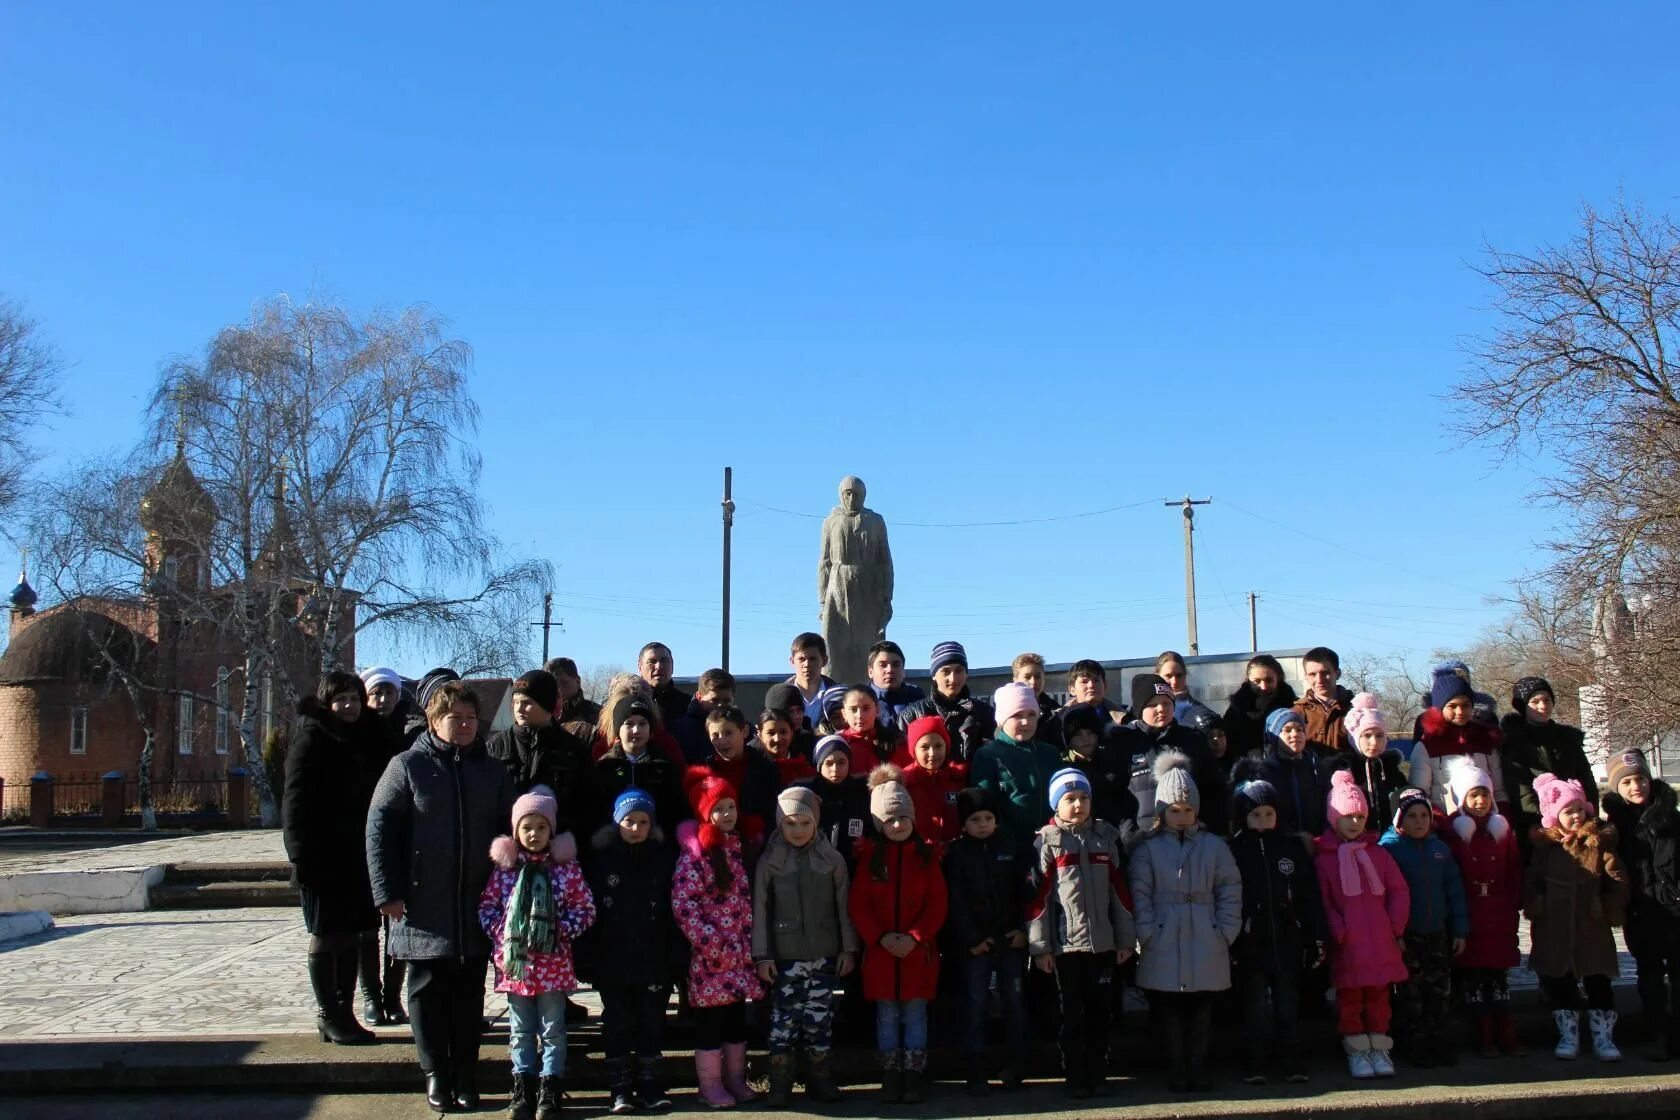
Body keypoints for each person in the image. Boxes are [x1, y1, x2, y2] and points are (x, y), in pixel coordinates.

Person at [367, 679, 515, 1113]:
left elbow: (513, 829)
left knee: (469, 995)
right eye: (456, 718)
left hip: (476, 903)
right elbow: (379, 831)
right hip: (420, 904)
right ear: (434, 721)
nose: (466, 725)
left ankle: (466, 1075)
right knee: (427, 992)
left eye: (471, 718)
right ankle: (435, 1073)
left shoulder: (492, 771)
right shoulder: (407, 766)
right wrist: (386, 892)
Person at [284, 670, 388, 1045]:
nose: (349, 706)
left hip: (357, 860)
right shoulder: (312, 738)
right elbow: (294, 802)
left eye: (355, 699)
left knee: (354, 936)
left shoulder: (365, 738)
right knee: (327, 936)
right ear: (327, 703)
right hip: (321, 860)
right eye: (341, 699)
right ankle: (329, 1013)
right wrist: (300, 855)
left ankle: (346, 1014)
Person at [478, 788, 595, 1120]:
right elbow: (487, 908)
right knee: (520, 1030)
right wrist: (503, 934)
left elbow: (585, 908)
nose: (534, 834)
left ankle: (550, 1089)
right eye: (527, 828)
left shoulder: (565, 869)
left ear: (551, 830)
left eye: (541, 828)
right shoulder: (506, 871)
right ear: (516, 832)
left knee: (553, 1029)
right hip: (517, 968)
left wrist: (561, 929)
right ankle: (522, 1089)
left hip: (553, 966)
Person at [1129, 754, 1242, 1093]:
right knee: (1170, 1012)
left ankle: (1199, 1067)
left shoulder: (1214, 847)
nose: (1181, 816)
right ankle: (1176, 1069)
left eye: (1187, 809)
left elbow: (1230, 888)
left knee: (1202, 1011)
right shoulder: (1147, 850)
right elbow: (1140, 893)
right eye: (1174, 810)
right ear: (1162, 812)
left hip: (1206, 937)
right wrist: (1147, 933)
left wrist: (1224, 931)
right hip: (1163, 937)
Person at [1027, 767, 1136, 1099]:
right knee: (1070, 1014)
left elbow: (1120, 894)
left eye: (1083, 797)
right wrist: (1041, 947)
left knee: (1100, 1011)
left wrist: (1125, 939)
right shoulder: (1048, 842)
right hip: (1065, 947)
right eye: (1070, 799)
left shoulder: (1105, 837)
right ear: (1056, 804)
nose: (1078, 805)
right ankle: (1074, 1073)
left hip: (1102, 945)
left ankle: (1099, 1071)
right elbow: (1039, 902)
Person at [577, 790, 685, 1115]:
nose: (636, 828)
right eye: (629, 821)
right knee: (618, 1023)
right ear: (617, 823)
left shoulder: (664, 860)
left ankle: (651, 1083)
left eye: (642, 822)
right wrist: (586, 958)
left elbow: (675, 913)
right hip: (613, 960)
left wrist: (677, 958)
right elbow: (589, 913)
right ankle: (620, 1087)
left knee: (652, 1023)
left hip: (655, 960)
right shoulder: (601, 862)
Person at [752, 785, 859, 1107]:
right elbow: (761, 910)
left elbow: (844, 907)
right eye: (790, 823)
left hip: (824, 954)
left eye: (804, 823)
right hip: (785, 957)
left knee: (819, 1020)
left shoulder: (832, 859)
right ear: (779, 824)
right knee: (783, 1022)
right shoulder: (770, 862)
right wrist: (762, 955)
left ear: (816, 823)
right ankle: (781, 1081)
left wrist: (847, 949)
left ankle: (820, 1078)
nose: (797, 830)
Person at [849, 764, 947, 1104]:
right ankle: (891, 1072)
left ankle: (914, 1072)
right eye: (890, 819)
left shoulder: (926, 857)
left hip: (916, 954)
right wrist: (880, 937)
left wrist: (916, 936)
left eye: (903, 818)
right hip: (882, 954)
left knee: (915, 1015)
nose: (898, 824)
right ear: (879, 823)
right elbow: (859, 905)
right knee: (887, 1016)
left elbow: (937, 904)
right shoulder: (870, 860)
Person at [672, 775, 764, 1107]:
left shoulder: (740, 848)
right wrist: (713, 944)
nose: (727, 815)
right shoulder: (696, 854)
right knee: (709, 1024)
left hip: (739, 955)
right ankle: (709, 1084)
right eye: (719, 809)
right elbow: (685, 905)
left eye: (731, 807)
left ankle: (736, 1078)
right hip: (709, 957)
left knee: (736, 1021)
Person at [1527, 772, 1630, 1062]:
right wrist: (1536, 902)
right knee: (1562, 982)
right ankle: (1568, 1033)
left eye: (1578, 811)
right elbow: (1532, 879)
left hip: (1591, 925)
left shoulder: (1597, 844)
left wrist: (1608, 903)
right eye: (1567, 812)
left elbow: (1617, 878)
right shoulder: (1546, 849)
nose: (1574, 817)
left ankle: (1603, 1035)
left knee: (1598, 979)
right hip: (1555, 925)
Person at [1228, 779, 1325, 1084]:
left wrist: (1315, 934)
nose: (1263, 821)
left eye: (1268, 814)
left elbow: (1310, 895)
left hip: (1287, 937)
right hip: (1250, 939)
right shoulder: (1234, 849)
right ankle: (1256, 1062)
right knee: (1255, 1004)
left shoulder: (1291, 848)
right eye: (1255, 815)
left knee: (1287, 1004)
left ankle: (1292, 1060)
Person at [1314, 769, 1409, 1081]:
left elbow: (1398, 889)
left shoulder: (1377, 853)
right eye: (1347, 817)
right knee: (1351, 998)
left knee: (1379, 996)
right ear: (1333, 817)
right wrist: (1337, 929)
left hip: (1381, 939)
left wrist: (1395, 926)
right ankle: (1357, 1048)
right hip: (1349, 943)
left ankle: (1379, 1046)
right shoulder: (1325, 858)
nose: (1354, 823)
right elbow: (1323, 898)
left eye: (1359, 817)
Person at [943, 786, 1028, 1096]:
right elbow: (955, 901)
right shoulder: (956, 854)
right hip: (975, 945)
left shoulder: (1009, 846)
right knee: (975, 1003)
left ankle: (1016, 1064)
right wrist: (971, 939)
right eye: (975, 819)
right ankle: (975, 1069)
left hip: (1010, 939)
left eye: (988, 817)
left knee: (1014, 1003)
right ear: (963, 823)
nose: (982, 824)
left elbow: (1023, 892)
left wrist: (1022, 929)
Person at [1600, 748, 1680, 1061]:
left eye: (1641, 779)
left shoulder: (1671, 819)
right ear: (1618, 788)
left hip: (1674, 909)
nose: (1636, 786)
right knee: (1648, 975)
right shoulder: (1614, 829)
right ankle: (1657, 1032)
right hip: (1640, 911)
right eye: (1628, 782)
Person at [1442, 759, 1524, 1058]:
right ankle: (1485, 1034)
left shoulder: (1501, 832)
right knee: (1474, 979)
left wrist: (1514, 901)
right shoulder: (1453, 833)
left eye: (1484, 795)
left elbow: (1513, 870)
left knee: (1498, 979)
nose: (1479, 801)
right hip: (1470, 916)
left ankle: (1507, 1031)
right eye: (1473, 796)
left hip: (1498, 915)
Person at [1380, 788, 1468, 1069]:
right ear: (1400, 821)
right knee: (1411, 991)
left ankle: (1438, 1040)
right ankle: (1413, 1043)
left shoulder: (1440, 851)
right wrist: (1394, 934)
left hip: (1437, 932)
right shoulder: (1390, 849)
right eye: (1412, 816)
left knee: (1439, 989)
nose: (1419, 822)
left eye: (1424, 816)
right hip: (1407, 934)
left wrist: (1460, 930)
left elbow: (1455, 892)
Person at [359, 665, 414, 1025]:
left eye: (389, 693)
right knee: (366, 927)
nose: (382, 700)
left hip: (402, 839)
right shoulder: (355, 735)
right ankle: (369, 996)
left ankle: (393, 996)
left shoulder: (408, 735)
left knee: (398, 923)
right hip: (364, 842)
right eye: (376, 693)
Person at [1119, 673, 1229, 838]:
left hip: (1190, 839)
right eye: (1152, 705)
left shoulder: (1193, 739)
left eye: (1166, 702)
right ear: (1140, 709)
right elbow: (1115, 796)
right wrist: (1129, 836)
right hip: (1143, 842)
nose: (1161, 709)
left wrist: (1207, 828)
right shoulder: (1124, 743)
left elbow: (1214, 789)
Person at [1502, 677, 1597, 857]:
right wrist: (1550, 823)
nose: (1543, 706)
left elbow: (1587, 779)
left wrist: (1588, 814)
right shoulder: (1515, 744)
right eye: (1535, 701)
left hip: (1579, 820)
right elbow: (1521, 792)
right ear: (1524, 707)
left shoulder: (1568, 739)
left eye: (1547, 700)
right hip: (1541, 828)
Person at [486, 669, 593, 826]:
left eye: (527, 703)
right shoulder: (496, 746)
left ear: (546, 704)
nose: (519, 709)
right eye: (515, 702)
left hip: (558, 842)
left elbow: (587, 802)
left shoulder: (572, 749)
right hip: (507, 841)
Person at [971, 683, 1062, 857]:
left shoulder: (1050, 754)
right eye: (1017, 716)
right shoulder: (988, 756)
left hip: (1053, 846)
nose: (1025, 722)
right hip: (1009, 852)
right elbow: (985, 806)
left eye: (1031, 715)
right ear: (1003, 719)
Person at [1410, 672, 1509, 823]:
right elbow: (1420, 793)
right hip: (1445, 827)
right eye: (1452, 706)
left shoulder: (1486, 740)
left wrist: (1501, 822)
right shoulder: (1427, 745)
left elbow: (1499, 790)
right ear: (1439, 708)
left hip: (1485, 829)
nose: (1460, 711)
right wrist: (1440, 823)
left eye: (1465, 705)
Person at [593, 695, 688, 838]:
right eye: (629, 724)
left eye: (642, 723)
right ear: (618, 729)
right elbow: (594, 809)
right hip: (613, 848)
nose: (636, 730)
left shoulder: (664, 767)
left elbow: (676, 809)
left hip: (656, 848)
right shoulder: (605, 767)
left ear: (650, 729)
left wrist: (663, 834)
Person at [687, 705, 780, 849]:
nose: (722, 740)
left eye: (728, 733)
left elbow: (772, 812)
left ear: (744, 731)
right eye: (715, 735)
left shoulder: (765, 768)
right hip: (716, 848)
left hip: (757, 846)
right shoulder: (704, 773)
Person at [1232, 707, 1329, 838]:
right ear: (1275, 736)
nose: (1295, 734)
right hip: (1282, 846)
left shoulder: (1317, 768)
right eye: (1287, 730)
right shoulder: (1263, 774)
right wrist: (1294, 838)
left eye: (1299, 730)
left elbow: (1328, 807)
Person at [894, 641, 997, 762]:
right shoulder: (912, 715)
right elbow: (903, 763)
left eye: (958, 671)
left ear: (966, 674)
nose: (953, 679)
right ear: (934, 675)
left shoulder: (984, 713)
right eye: (946, 671)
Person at [1328, 693, 1408, 834]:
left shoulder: (1391, 768)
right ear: (1354, 738)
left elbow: (1406, 798)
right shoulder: (1346, 769)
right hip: (1358, 837)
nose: (1374, 742)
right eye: (1367, 735)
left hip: (1391, 837)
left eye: (1379, 735)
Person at [1056, 702, 1138, 830]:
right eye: (1078, 735)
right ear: (1069, 739)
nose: (1085, 739)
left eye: (1090, 733)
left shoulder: (1113, 761)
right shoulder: (1063, 768)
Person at [802, 736, 871, 873]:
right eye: (829, 763)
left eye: (841, 763)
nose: (835, 769)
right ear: (819, 765)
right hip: (815, 870)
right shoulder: (807, 795)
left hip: (853, 868)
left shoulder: (862, 793)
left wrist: (865, 844)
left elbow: (872, 830)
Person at [900, 714, 968, 844]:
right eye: (924, 747)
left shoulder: (959, 779)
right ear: (914, 750)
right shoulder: (904, 783)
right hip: (920, 856)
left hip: (955, 854)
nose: (932, 753)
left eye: (938, 746)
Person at [1222, 654, 1299, 761]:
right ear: (1248, 680)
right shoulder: (1237, 707)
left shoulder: (1292, 705)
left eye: (1269, 680)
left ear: (1278, 678)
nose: (1263, 686)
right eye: (1257, 681)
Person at [1293, 646, 1356, 758]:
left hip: (1350, 774)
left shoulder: (1356, 708)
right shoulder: (1297, 713)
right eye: (1313, 674)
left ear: (1337, 673)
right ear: (1306, 677)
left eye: (1325, 673)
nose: (1319, 680)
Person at [672, 669, 737, 765]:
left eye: (726, 701)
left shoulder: (742, 730)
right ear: (699, 697)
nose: (720, 706)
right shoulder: (679, 730)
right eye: (714, 700)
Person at [864, 640, 925, 726]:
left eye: (896, 665)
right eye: (882, 665)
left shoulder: (917, 699)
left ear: (903, 671)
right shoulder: (860, 699)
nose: (890, 670)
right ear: (870, 671)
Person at [786, 632, 839, 730]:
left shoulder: (839, 697)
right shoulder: (781, 698)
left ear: (824, 661)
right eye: (801, 659)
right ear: (792, 661)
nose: (807, 664)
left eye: (812, 659)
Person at [754, 708, 815, 787]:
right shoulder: (752, 768)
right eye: (771, 733)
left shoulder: (803, 768)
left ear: (792, 733)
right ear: (760, 735)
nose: (777, 739)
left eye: (783, 732)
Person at [638, 642, 691, 729]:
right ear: (640, 667)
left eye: (664, 660)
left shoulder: (688, 705)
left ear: (672, 666)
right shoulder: (630, 703)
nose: (659, 666)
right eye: (652, 661)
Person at [546, 657, 602, 728]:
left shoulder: (600, 715)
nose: (557, 689)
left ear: (578, 682)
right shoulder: (537, 715)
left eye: (563, 683)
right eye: (549, 685)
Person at [1154, 650, 1202, 723]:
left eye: (1179, 675)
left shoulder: (1198, 712)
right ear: (1157, 677)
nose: (1174, 682)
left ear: (1185, 675)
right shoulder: (1147, 711)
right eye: (1168, 676)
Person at [1012, 652, 1060, 724]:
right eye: (1027, 677)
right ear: (1016, 681)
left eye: (1037, 677)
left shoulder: (1055, 710)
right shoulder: (1008, 712)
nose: (1033, 681)